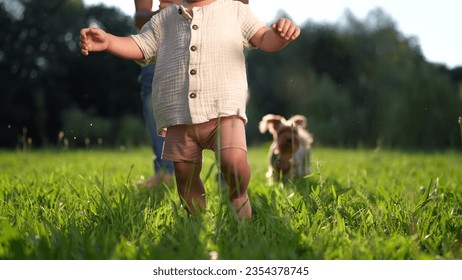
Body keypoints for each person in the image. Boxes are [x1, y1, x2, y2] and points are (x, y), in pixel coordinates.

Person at [80, 0, 300, 219]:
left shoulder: (234, 9)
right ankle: (195, 219)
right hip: (178, 115)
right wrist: (109, 41)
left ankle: (238, 195)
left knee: (233, 162)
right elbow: (140, 45)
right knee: (185, 177)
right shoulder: (163, 19)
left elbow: (263, 38)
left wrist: (280, 37)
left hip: (224, 109)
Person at [134, 0, 174, 188]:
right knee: (151, 82)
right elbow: (141, 16)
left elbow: (241, 5)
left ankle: (229, 176)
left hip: (217, 36)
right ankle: (165, 171)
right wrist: (163, 15)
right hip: (162, 37)